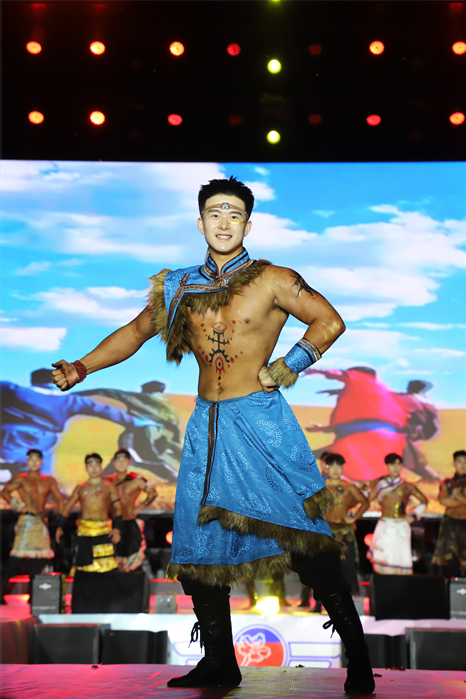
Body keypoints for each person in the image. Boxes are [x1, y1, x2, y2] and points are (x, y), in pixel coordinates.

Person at [50, 177, 374, 696]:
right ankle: (221, 663)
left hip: (262, 423)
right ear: (200, 222)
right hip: (207, 426)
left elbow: (329, 321)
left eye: (234, 214)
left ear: (248, 224)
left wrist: (288, 365)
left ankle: (359, 661)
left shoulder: (273, 279)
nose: (224, 222)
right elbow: (135, 332)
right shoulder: (179, 286)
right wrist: (81, 367)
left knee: (306, 539)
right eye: (215, 213)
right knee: (197, 545)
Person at [1, 369, 156, 478]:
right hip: (46, 439)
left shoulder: (12, 390)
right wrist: (136, 421)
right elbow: (103, 410)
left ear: (33, 380)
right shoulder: (70, 400)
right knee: (42, 476)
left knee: (13, 465)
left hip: (13, 435)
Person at [304, 367, 410, 482]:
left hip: (360, 440)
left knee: (334, 461)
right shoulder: (377, 391)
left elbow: (344, 375)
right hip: (388, 439)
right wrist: (324, 429)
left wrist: (316, 370)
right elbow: (365, 419)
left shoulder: (362, 379)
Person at [79, 381, 183, 482]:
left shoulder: (139, 398)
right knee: (144, 457)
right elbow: (174, 424)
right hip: (158, 434)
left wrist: (78, 394)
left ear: (147, 390)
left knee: (134, 458)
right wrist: (175, 439)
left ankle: (102, 480)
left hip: (139, 432)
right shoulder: (166, 403)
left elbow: (108, 392)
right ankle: (174, 477)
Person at [0, 448, 64, 603]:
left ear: (41, 462)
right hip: (27, 520)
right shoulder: (21, 479)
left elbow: (60, 500)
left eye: (37, 460)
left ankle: (32, 595)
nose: (34, 463)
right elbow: (4, 492)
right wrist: (17, 504)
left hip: (41, 521)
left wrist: (61, 521)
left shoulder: (49, 480)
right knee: (16, 557)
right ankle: (1, 591)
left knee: (39, 558)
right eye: (31, 460)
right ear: (27, 461)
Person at [56, 453, 121, 574]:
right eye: (90, 465)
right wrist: (59, 526)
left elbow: (118, 507)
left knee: (106, 566)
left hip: (104, 530)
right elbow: (67, 508)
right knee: (84, 567)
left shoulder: (109, 487)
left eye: (96, 465)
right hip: (85, 530)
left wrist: (116, 528)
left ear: (101, 467)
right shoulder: (80, 488)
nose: (94, 468)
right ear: (86, 468)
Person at [368, 453, 428, 575]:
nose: (395, 468)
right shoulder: (380, 485)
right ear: (387, 466)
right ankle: (385, 584)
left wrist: (415, 515)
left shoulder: (407, 486)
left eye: (398, 465)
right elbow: (367, 500)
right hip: (385, 525)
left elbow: (424, 501)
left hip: (401, 526)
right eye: (392, 465)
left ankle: (400, 585)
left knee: (400, 558)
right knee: (383, 558)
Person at [104, 448, 157, 572]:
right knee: (111, 560)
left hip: (128, 523)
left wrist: (139, 507)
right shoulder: (107, 481)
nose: (121, 463)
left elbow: (153, 493)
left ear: (129, 463)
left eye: (124, 460)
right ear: (114, 463)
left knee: (132, 559)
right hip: (111, 524)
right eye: (118, 460)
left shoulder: (136, 481)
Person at [324, 453, 369, 596]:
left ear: (342, 468)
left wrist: (354, 518)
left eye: (339, 466)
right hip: (326, 531)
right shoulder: (320, 487)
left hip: (345, 531)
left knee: (348, 565)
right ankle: (321, 602)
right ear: (327, 467)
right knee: (325, 566)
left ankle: (353, 598)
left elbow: (365, 502)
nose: (336, 470)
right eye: (332, 466)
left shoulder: (349, 487)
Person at [396, 380, 440, 482]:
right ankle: (430, 477)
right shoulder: (426, 401)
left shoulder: (407, 398)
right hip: (421, 431)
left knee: (407, 454)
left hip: (410, 431)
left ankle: (431, 477)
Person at [432, 450, 466, 577]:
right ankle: (451, 585)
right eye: (460, 462)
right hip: (450, 523)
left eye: (465, 462)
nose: (463, 465)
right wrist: (463, 501)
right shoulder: (447, 483)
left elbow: (449, 500)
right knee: (450, 559)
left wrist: (457, 498)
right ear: (454, 464)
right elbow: (443, 500)